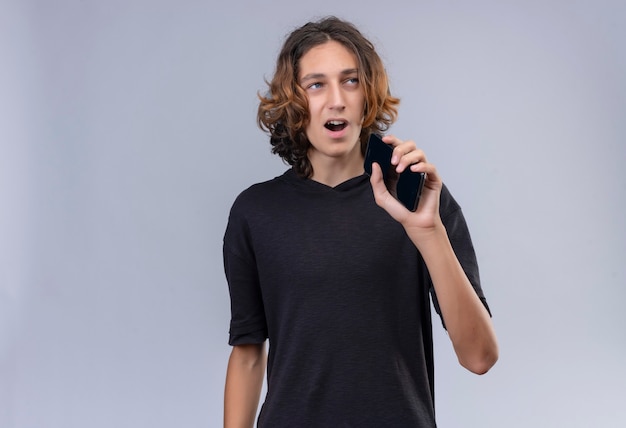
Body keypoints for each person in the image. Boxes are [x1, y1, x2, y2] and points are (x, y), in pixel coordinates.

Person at [223, 16, 498, 428]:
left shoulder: (420, 200)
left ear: (367, 94)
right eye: (316, 84)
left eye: (350, 81)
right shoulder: (255, 211)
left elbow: (479, 357)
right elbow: (247, 353)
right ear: (293, 101)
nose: (336, 100)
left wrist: (428, 232)